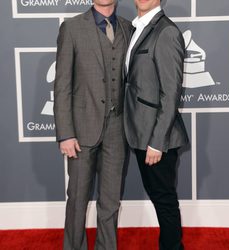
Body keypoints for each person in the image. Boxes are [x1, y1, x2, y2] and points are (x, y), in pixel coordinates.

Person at [53, 1, 131, 249]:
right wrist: (65, 133)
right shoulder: (72, 28)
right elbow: (62, 84)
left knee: (110, 202)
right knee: (77, 200)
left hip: (117, 129)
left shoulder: (129, 29)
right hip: (81, 129)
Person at [124, 0, 189, 249]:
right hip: (139, 132)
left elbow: (170, 93)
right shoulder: (135, 28)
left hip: (157, 139)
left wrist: (157, 142)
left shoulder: (166, 31)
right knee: (160, 197)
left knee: (164, 200)